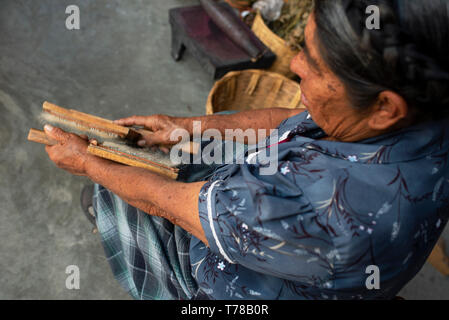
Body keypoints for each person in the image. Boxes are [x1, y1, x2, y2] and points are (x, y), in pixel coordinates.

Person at [44, 0, 449, 299]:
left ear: (384, 107)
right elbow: (291, 120)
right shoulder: (427, 114)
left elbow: (164, 203)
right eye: (304, 48)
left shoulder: (315, 207)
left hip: (242, 293)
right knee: (179, 151)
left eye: (315, 64)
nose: (294, 65)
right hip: (325, 258)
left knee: (117, 187)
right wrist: (186, 127)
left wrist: (88, 163)